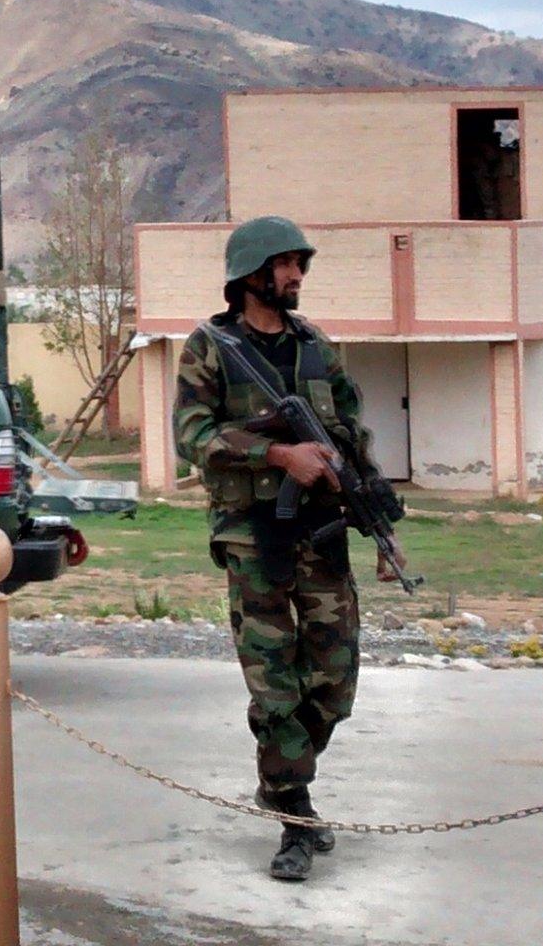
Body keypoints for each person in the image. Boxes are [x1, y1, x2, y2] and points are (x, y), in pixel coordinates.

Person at [172, 215, 381, 883]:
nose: (296, 276)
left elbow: (351, 432)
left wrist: (374, 516)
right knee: (275, 684)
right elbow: (192, 435)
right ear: (251, 274)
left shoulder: (317, 346)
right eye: (286, 264)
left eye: (301, 265)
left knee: (334, 681)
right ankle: (293, 814)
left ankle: (279, 778)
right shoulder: (210, 346)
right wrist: (275, 452)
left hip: (320, 535)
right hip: (253, 536)